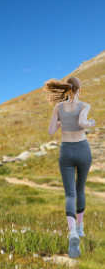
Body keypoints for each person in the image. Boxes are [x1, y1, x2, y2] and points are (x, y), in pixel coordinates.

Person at [45, 76, 96, 258]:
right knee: (80, 188)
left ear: (66, 90)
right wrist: (90, 123)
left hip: (66, 151)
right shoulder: (84, 106)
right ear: (79, 90)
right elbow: (82, 122)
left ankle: (72, 231)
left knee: (69, 193)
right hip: (83, 149)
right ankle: (81, 229)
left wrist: (61, 122)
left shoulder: (58, 108)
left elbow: (51, 131)